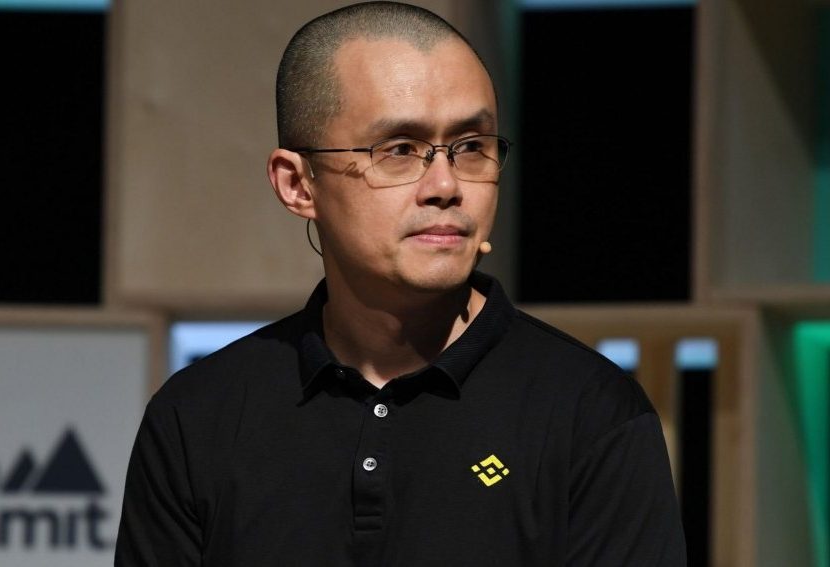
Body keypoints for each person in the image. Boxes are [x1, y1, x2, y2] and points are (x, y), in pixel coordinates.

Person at [114, 2, 686, 566]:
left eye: (471, 148)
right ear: (298, 184)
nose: (446, 185)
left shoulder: (591, 413)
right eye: (400, 150)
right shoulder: (199, 416)